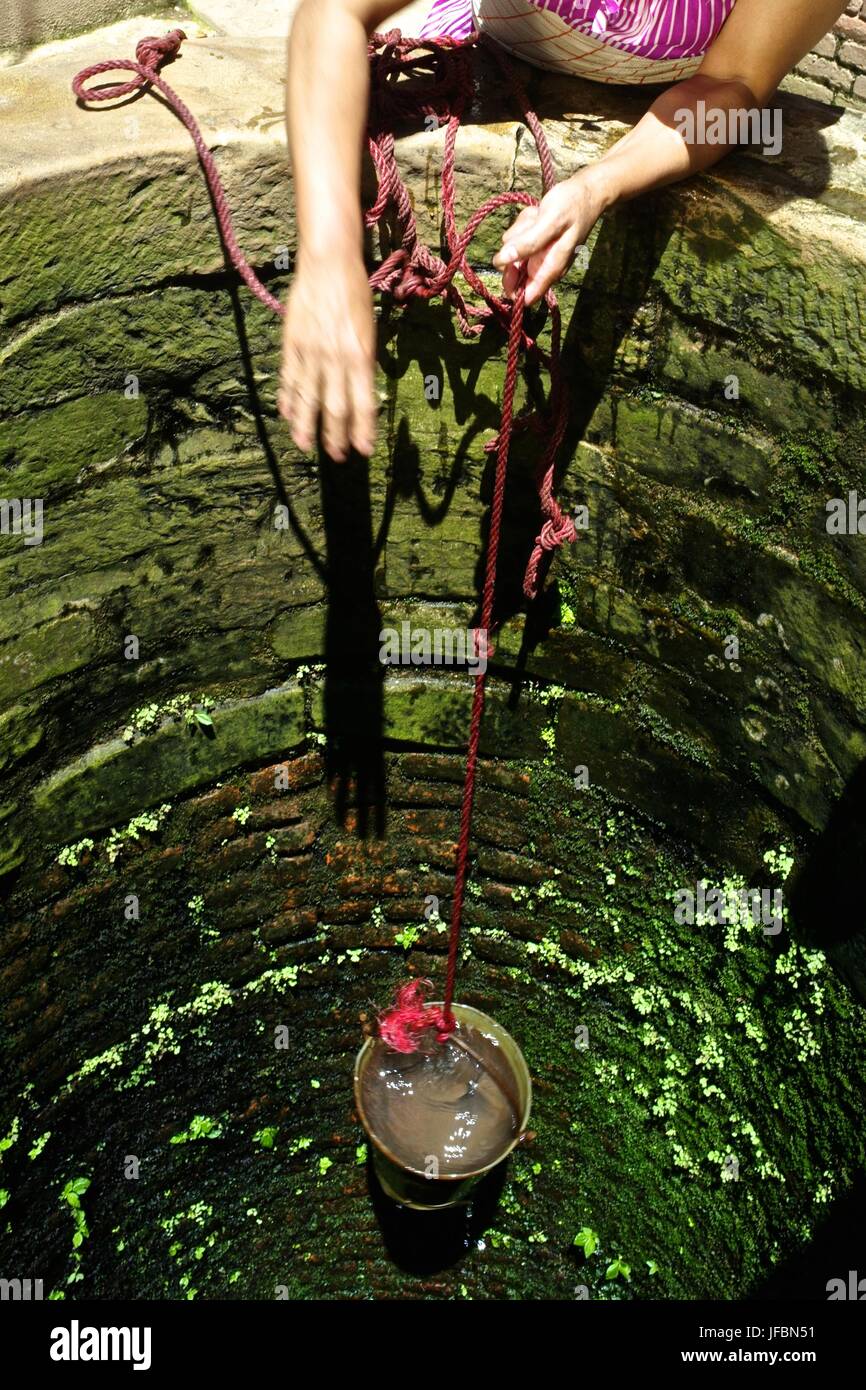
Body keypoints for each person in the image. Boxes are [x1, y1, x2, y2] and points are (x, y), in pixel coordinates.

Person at [278, 0, 846, 462]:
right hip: (492, 51)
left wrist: (596, 186)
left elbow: (733, 82)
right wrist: (328, 250)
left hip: (667, 108)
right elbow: (333, 14)